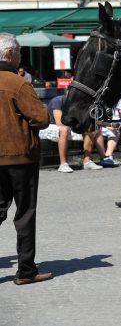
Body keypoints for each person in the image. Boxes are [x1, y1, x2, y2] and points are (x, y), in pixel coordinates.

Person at [0, 33, 53, 285]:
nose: (21, 57)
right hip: (20, 157)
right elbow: (41, 119)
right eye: (19, 52)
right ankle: (26, 270)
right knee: (24, 214)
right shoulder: (18, 84)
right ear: (9, 55)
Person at [47, 93, 105, 173]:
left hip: (69, 123)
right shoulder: (58, 101)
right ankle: (63, 164)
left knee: (90, 128)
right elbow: (59, 122)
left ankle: (87, 161)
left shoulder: (78, 103)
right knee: (64, 129)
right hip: (52, 124)